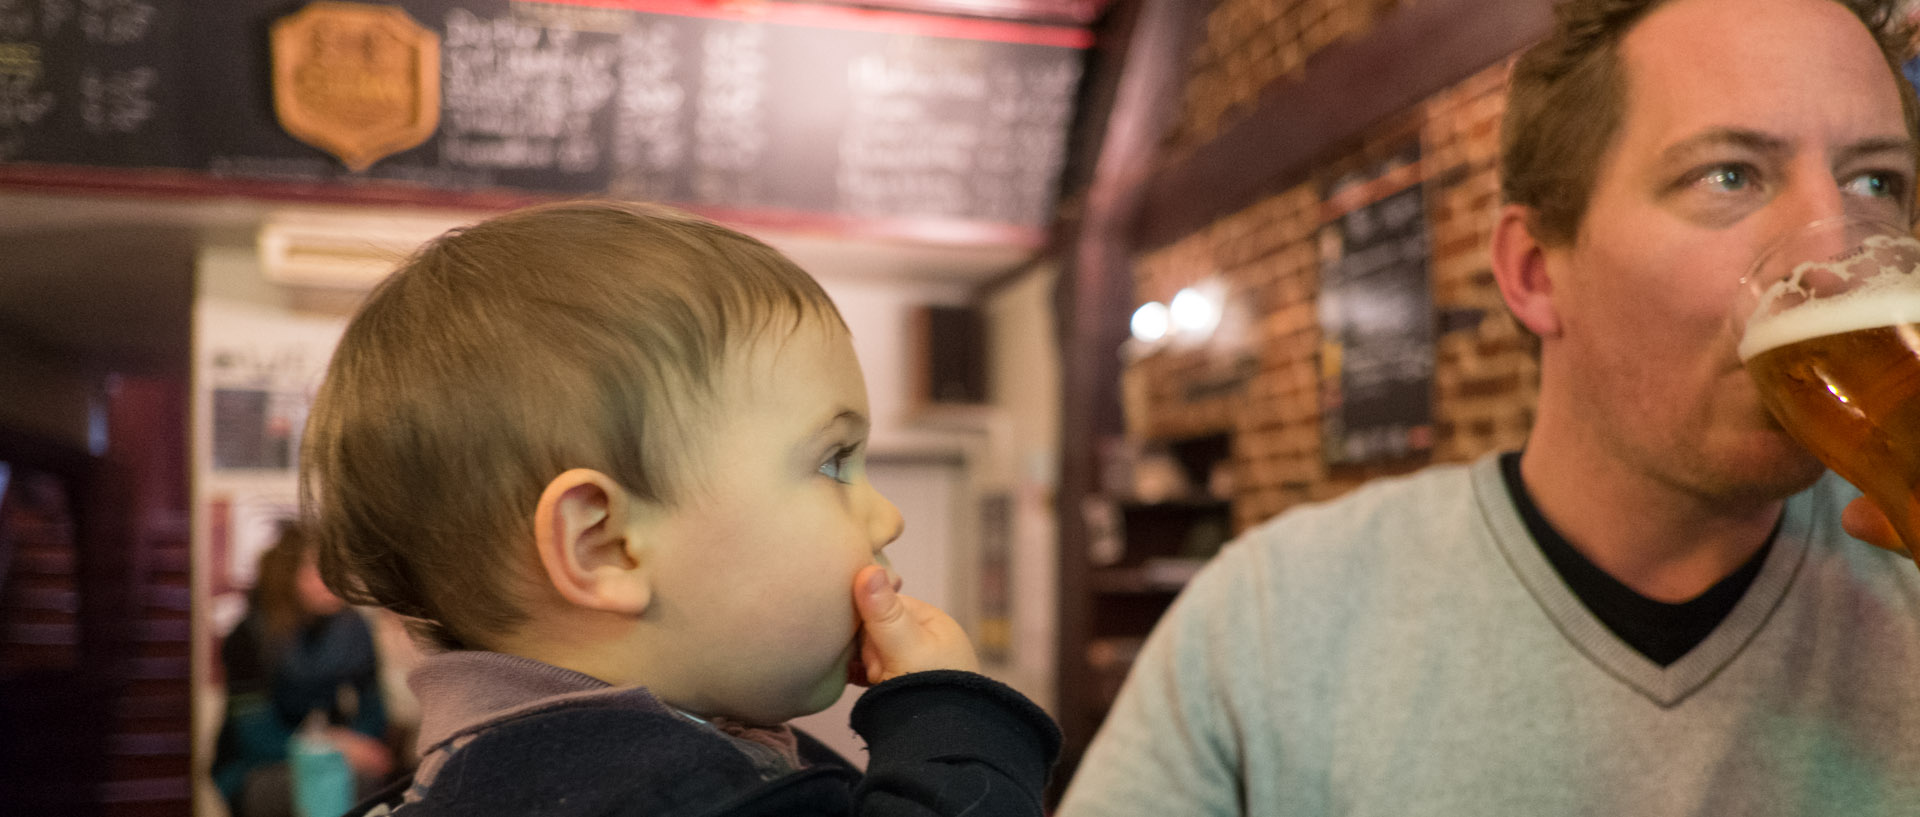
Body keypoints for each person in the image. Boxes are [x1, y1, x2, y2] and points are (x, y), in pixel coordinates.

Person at [1057, 0, 1920, 814]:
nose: (1840, 252)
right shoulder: (1271, 622)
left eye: (1877, 183)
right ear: (1536, 271)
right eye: (1729, 174)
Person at [298, 201, 1060, 816]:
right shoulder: (640, 791)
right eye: (833, 461)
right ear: (607, 545)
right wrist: (956, 728)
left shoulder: (495, 771)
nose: (886, 516)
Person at [212, 523, 395, 817]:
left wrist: (357, 745)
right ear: (289, 574)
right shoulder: (249, 635)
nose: (335, 578)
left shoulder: (354, 629)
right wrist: (335, 747)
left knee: (380, 782)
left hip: (331, 754)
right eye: (318, 568)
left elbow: (374, 710)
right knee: (340, 786)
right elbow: (254, 736)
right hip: (257, 765)